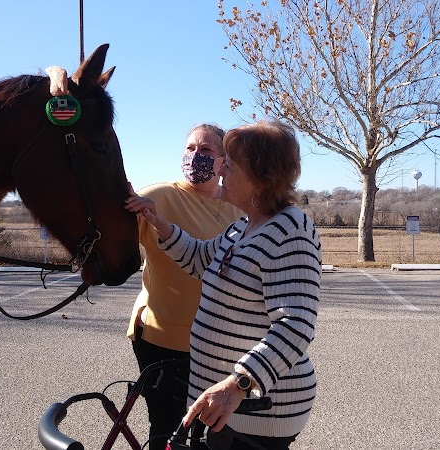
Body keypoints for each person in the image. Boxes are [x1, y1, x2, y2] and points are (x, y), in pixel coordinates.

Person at [126, 120, 321, 450]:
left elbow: (295, 326)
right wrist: (159, 222)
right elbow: (200, 258)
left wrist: (237, 385)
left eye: (230, 165)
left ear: (261, 177)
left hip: (259, 411)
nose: (220, 171)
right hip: (226, 407)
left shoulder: (290, 231)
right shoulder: (245, 225)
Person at [126, 123, 243, 450]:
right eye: (190, 148)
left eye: (205, 150)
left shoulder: (239, 207)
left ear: (224, 160)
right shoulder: (159, 197)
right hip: (163, 339)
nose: (195, 156)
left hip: (220, 343)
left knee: (214, 431)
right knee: (169, 430)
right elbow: (112, 236)